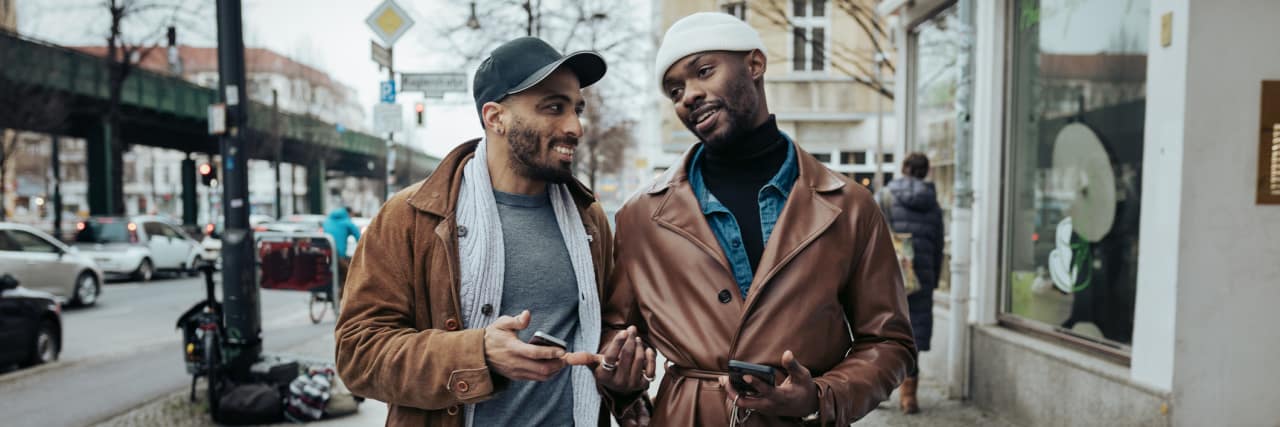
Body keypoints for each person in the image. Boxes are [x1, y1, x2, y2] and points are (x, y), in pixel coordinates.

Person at [598, 12, 917, 425]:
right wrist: (620, 376)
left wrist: (820, 398)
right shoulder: (640, 217)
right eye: (675, 90)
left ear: (755, 65)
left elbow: (889, 341)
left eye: (704, 71)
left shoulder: (851, 208)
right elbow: (619, 333)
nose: (688, 96)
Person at [335, 37, 652, 427]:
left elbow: (602, 336)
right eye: (554, 107)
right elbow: (357, 354)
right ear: (495, 117)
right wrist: (477, 353)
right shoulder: (412, 217)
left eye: (576, 109)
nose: (575, 127)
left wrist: (617, 371)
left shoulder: (590, 220)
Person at [881, 153, 945, 414]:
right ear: (926, 171)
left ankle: (880, 388)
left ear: (904, 169)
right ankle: (909, 398)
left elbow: (870, 233)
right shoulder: (933, 204)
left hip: (889, 275)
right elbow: (939, 245)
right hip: (921, 276)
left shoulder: (886, 196)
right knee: (913, 334)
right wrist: (933, 276)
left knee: (883, 332)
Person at [322, 206, 360, 297]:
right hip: (338, 255)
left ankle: (332, 294)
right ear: (349, 213)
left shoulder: (327, 220)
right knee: (349, 274)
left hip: (325, 255)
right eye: (352, 215)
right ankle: (342, 298)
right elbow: (360, 238)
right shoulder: (347, 222)